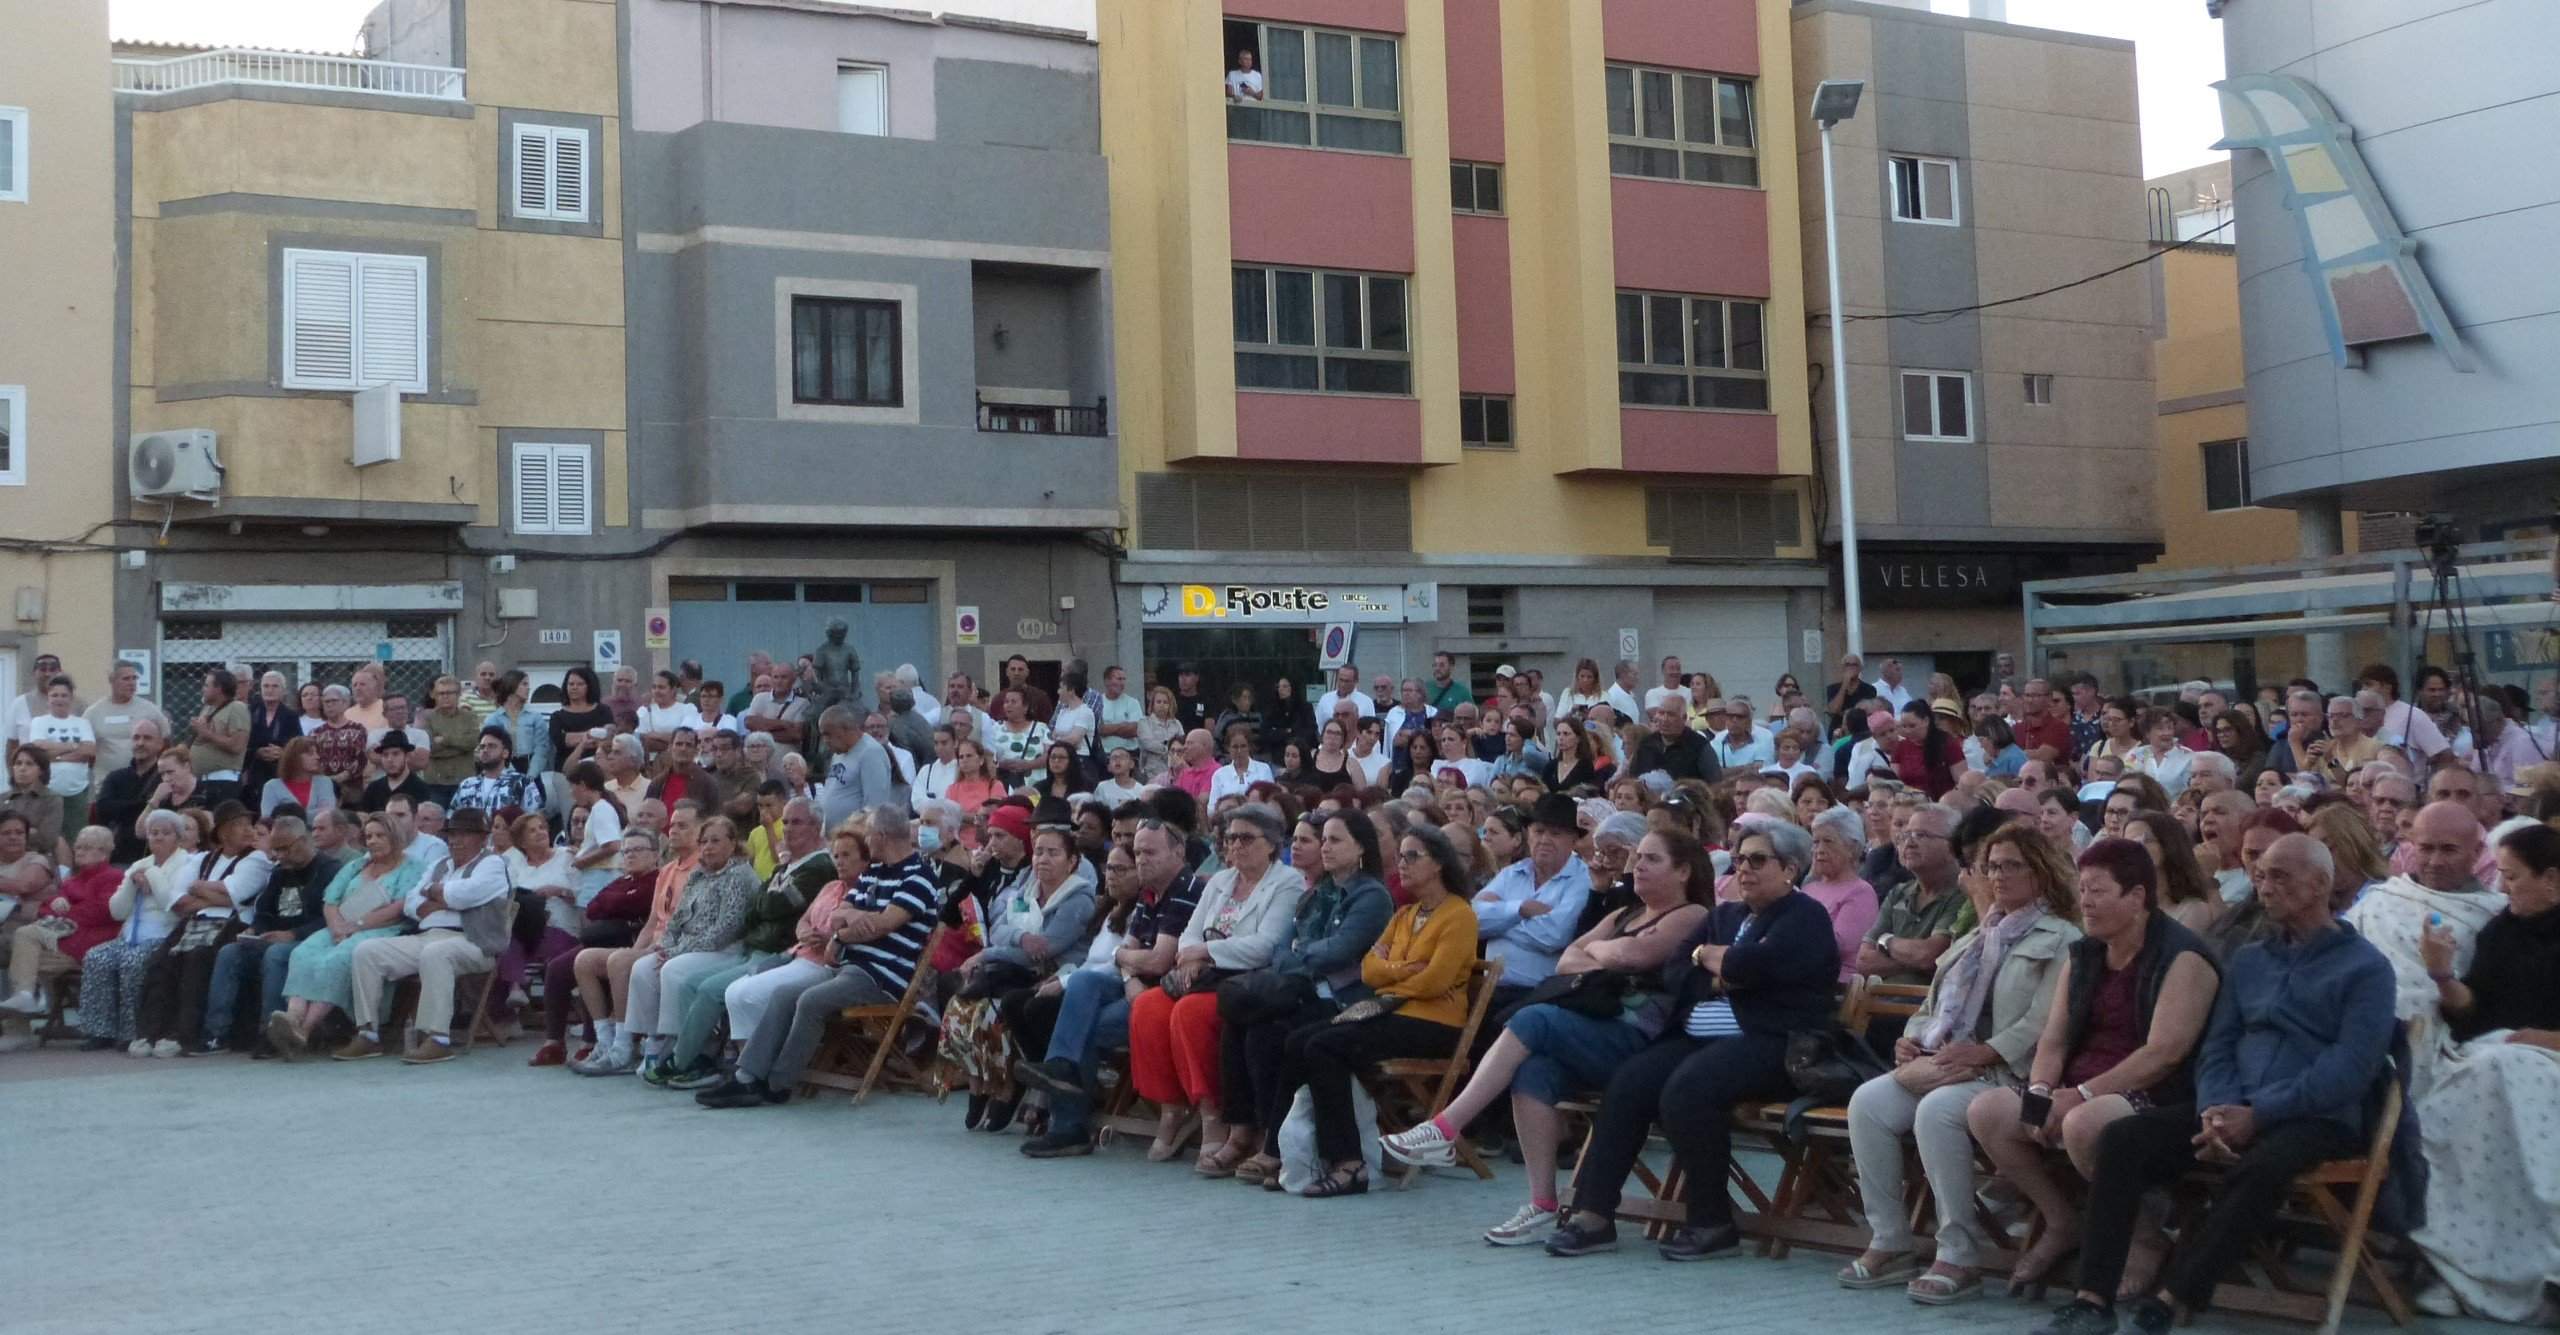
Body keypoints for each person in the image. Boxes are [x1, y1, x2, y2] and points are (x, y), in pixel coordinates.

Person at [1383, 827, 1712, 1240]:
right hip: (1594, 1027)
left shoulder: (1690, 915)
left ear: (1683, 871)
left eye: (1652, 859)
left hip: (1638, 1040)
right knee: (1532, 1071)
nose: (1638, 866)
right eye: (1639, 857)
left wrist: (1603, 953)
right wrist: (1606, 957)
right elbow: (1566, 961)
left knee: (1534, 1019)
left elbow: (1634, 955)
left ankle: (1446, 1128)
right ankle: (1542, 1204)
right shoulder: (1624, 914)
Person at [1544, 820, 1844, 1260]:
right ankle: (1594, 1213)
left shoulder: (1805, 916)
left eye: (1758, 860)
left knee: (1689, 1090)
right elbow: (1677, 971)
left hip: (1775, 1042)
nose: (1744, 868)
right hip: (1701, 1038)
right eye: (1739, 859)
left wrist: (1717, 962)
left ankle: (1712, 1222)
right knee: (1629, 1082)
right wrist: (1717, 969)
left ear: (1790, 869)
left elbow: (1762, 964)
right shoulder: (1725, 915)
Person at [1959, 838, 2222, 1301]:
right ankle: (2061, 1220)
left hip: (2158, 1094)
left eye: (2098, 892)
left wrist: (2079, 1096)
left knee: (2084, 1125)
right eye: (2082, 890)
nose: (2085, 902)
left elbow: (2165, 1053)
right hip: (2077, 1086)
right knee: (1989, 1111)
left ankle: (2145, 1237)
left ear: (2137, 897)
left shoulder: (2183, 958)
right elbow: (2054, 1038)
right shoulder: (2084, 955)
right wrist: (2042, 1090)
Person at [1841, 824, 2083, 1303]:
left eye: (2013, 865)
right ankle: (1890, 1239)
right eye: (1992, 866)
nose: (1999, 875)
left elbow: (2045, 1020)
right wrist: (1912, 1040)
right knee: (1868, 1101)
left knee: (1940, 1111)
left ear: (2042, 871)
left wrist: (1987, 1052)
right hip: (1945, 1057)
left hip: (2009, 1073)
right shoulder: (1979, 933)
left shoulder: (2063, 938)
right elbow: (1934, 1004)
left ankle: (1959, 1253)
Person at [2405, 822, 2560, 1322]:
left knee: (2504, 1076)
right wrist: (2442, 973)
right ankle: (2463, 1267)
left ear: (2552, 879)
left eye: (2513, 877)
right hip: (2494, 1056)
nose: (2502, 888)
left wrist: (2547, 1040)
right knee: (2448, 1107)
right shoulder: (2503, 930)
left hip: (2542, 1063)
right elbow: (2475, 1009)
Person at [1281, 825, 1482, 1198]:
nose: (1401, 863)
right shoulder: (1406, 914)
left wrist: (1392, 973)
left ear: (1437, 864)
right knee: (1299, 1040)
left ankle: (1350, 1164)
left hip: (1434, 1023)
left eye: (1412, 856)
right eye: (1401, 855)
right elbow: (1369, 971)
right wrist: (1404, 971)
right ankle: (1302, 1153)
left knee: (1324, 1047)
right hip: (1392, 1011)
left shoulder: (1459, 916)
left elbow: (1435, 982)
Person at [1192, 811, 1394, 1180]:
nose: (1326, 847)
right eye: (1325, 840)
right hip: (1304, 991)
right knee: (1239, 1023)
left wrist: (1302, 953)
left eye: (1335, 840)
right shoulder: (1317, 892)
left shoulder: (1372, 897)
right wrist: (1303, 954)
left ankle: (1274, 1143)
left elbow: (1341, 950)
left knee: (1269, 1034)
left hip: (1343, 1001)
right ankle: (1240, 1130)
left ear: (1361, 847)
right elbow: (1282, 949)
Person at [697, 804, 939, 1108]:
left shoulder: (918, 877)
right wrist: (851, 924)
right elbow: (840, 915)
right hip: (848, 965)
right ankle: (747, 1076)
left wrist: (851, 924)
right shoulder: (876, 871)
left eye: (868, 836)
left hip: (882, 977)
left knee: (811, 1001)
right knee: (784, 994)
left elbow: (883, 925)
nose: (866, 842)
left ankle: (777, 1084)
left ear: (881, 836)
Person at [1126, 804, 1307, 1161]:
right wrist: (1193, 955)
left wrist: (1204, 953)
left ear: (1271, 844)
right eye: (1229, 838)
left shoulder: (1287, 883)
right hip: (1203, 973)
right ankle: (1171, 1107)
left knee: (1191, 1012)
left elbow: (1266, 945)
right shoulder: (1221, 880)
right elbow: (1189, 932)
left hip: (1248, 981)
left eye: (1245, 838)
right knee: (1148, 1006)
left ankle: (1213, 1114)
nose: (1235, 846)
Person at [1016, 819, 1206, 1157]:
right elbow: (1128, 955)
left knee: (1087, 1024)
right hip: (1135, 984)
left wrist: (1127, 961)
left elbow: (1160, 960)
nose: (1142, 859)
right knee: (1086, 982)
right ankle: (1062, 1072)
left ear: (1178, 852)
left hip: (1167, 992)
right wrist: (1129, 972)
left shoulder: (1186, 890)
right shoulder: (1151, 893)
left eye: (1150, 852)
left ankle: (1068, 1126)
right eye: (1138, 852)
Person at [663, 804, 847, 1088]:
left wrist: (768, 899)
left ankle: (684, 1061)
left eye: (797, 822)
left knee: (712, 990)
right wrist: (768, 900)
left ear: (815, 826)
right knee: (690, 983)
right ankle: (699, 1056)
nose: (787, 828)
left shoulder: (820, 866)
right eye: (785, 822)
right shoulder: (784, 867)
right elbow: (756, 909)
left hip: (781, 951)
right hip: (754, 948)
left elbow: (773, 906)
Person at [940, 822, 1099, 1128]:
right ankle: (979, 1081)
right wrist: (1020, 938)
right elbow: (998, 927)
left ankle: (1009, 1086)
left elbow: (1047, 949)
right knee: (964, 1009)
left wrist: (989, 952)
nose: (1043, 859)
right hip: (1018, 970)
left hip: (1054, 974)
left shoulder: (1078, 898)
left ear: (1072, 861)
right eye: (1039, 851)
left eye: (1053, 853)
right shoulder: (1027, 889)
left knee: (996, 1008)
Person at [264, 813, 420, 1057]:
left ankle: (304, 1030)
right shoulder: (357, 865)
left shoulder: (411, 867)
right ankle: (292, 1018)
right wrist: (336, 926)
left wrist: (355, 926)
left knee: (337, 960)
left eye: (380, 835)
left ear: (395, 836)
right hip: (339, 926)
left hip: (381, 930)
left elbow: (398, 908)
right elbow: (330, 899)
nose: (373, 841)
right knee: (303, 952)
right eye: (368, 836)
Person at [613, 815, 757, 1080]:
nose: (708, 848)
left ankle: (683, 1046)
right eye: (703, 842)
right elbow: (676, 919)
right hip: (690, 948)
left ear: (733, 843)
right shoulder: (699, 874)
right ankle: (654, 1041)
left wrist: (677, 952)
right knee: (643, 967)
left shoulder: (739, 875)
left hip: (727, 950)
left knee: (673, 969)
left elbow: (726, 929)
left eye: (715, 841)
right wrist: (665, 946)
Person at [133, 802, 272, 1056]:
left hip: (231, 923)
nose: (247, 830)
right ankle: (150, 1032)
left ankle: (183, 1034)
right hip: (195, 921)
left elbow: (236, 893)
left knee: (198, 962)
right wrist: (215, 893)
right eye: (239, 825)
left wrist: (200, 888)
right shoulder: (202, 859)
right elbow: (177, 900)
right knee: (162, 962)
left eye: (248, 825)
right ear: (222, 831)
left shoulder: (256, 859)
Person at [201, 815, 342, 1055]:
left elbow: (330, 917)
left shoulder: (330, 871)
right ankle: (216, 1033)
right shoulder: (280, 873)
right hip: (276, 936)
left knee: (276, 955)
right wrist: (255, 929)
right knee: (229, 953)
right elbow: (264, 910)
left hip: (311, 941)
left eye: (284, 849)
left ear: (302, 841)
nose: (278, 856)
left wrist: (292, 933)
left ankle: (271, 1033)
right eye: (275, 849)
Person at [72, 810, 189, 1050]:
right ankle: (99, 1030)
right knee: (97, 957)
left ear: (177, 837)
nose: (158, 838)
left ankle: (132, 1030)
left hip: (163, 934)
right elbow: (117, 910)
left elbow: (172, 902)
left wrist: (153, 876)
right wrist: (132, 884)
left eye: (166, 833)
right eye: (154, 833)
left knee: (132, 962)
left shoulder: (186, 863)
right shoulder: (139, 865)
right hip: (130, 934)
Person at [1472, 794, 1594, 1013]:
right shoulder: (1512, 873)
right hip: (1488, 988)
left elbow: (1554, 936)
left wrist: (1497, 923)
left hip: (1539, 995)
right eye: (1539, 831)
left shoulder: (1582, 880)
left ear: (1574, 840)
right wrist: (1520, 909)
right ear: (1528, 835)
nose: (1545, 839)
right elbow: (1471, 921)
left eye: (1555, 833)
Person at [1859, 803, 1976, 989]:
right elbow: (1864, 959)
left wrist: (1886, 941)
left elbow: (1930, 956)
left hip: (1922, 1010)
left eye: (1921, 835)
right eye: (1906, 835)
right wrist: (1915, 962)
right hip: (1878, 1005)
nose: (1909, 843)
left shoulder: (1965, 894)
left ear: (1953, 845)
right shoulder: (1898, 892)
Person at [1802, 807, 1882, 981]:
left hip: (1836, 983)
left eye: (1828, 841)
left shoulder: (1860, 892)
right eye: (1815, 842)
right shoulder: (1809, 889)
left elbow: (1836, 945)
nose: (1819, 850)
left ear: (1852, 848)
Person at [2120, 813, 2221, 935]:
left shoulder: (2193, 910)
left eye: (2144, 840)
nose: (2135, 849)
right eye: (2126, 843)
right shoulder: (2121, 906)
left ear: (2168, 844)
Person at [82, 660, 168, 779]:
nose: (132, 683)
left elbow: (166, 739)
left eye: (134, 678)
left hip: (142, 780)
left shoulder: (150, 710)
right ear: (112, 681)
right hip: (106, 781)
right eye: (126, 679)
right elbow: (85, 750)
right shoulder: (93, 713)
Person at [185, 668, 251, 807]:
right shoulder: (207, 709)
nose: (203, 689)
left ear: (219, 688)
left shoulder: (236, 708)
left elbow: (237, 745)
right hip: (201, 781)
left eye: (207, 685)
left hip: (223, 782)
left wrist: (206, 733)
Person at [1629, 700, 1719, 784]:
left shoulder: (1699, 746)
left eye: (1671, 714)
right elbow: (1632, 779)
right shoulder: (1646, 744)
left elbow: (1715, 783)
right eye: (1661, 713)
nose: (1665, 719)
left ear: (1684, 718)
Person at [1136, 685, 1184, 783]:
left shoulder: (1177, 723)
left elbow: (1182, 744)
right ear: (1152, 704)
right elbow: (1148, 744)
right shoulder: (1144, 722)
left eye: (1165, 702)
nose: (1162, 705)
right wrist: (1170, 750)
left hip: (1175, 771)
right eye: (1158, 702)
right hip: (1152, 771)